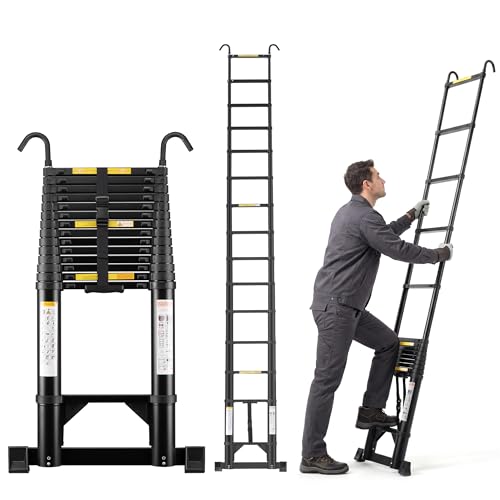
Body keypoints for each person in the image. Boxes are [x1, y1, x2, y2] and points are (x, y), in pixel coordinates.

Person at [300, 159, 452, 475]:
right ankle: (312, 455)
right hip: (337, 309)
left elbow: (382, 236)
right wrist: (438, 255)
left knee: (388, 343)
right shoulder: (363, 216)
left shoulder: (353, 213)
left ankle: (371, 410)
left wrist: (410, 216)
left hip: (345, 307)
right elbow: (396, 249)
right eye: (378, 176)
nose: (383, 179)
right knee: (326, 380)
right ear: (366, 184)